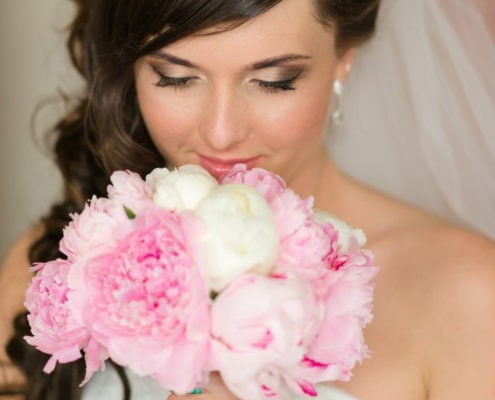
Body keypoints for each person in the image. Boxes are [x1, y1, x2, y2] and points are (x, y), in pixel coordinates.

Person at [1, 0, 494, 399]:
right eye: (175, 76)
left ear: (346, 56)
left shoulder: (469, 295)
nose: (220, 134)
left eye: (273, 81)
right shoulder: (57, 270)